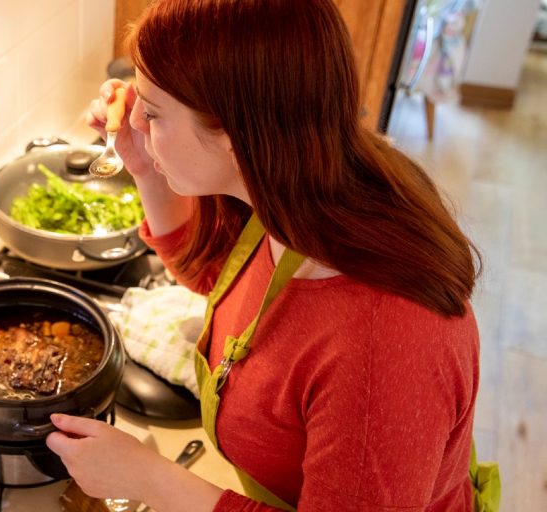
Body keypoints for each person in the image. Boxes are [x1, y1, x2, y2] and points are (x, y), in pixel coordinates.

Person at [44, 0, 499, 510]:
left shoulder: (382, 341)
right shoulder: (303, 191)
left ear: (236, 135)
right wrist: (146, 165)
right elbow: (220, 277)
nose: (135, 120)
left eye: (151, 112)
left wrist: (150, 479)